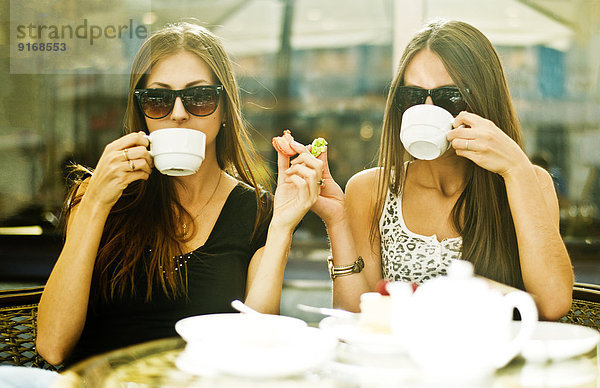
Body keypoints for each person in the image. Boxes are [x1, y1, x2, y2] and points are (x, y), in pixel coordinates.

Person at [35, 21, 323, 367]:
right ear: (141, 112)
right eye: (158, 100)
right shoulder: (104, 195)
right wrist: (96, 201)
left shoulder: (256, 211)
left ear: (225, 108)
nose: (178, 114)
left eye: (199, 97)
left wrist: (281, 228)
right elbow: (52, 346)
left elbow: (255, 346)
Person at [311, 20, 573, 321]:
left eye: (449, 96)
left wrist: (515, 167)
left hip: (498, 362)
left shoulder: (528, 180)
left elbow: (553, 305)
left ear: (483, 100)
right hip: (403, 364)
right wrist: (336, 222)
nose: (426, 108)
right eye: (411, 97)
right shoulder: (372, 189)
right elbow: (357, 316)